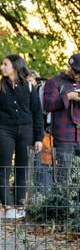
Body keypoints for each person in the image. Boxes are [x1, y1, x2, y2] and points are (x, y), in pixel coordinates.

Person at [0, 54, 44, 219]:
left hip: (26, 131)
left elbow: (37, 113)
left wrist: (38, 137)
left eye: (5, 64)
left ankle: (19, 206)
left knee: (22, 169)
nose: (2, 67)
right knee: (4, 169)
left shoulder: (29, 87)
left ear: (15, 66)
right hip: (4, 131)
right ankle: (7, 206)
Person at [42, 54, 80, 188]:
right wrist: (68, 97)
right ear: (70, 68)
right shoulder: (54, 82)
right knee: (64, 175)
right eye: (77, 71)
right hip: (64, 136)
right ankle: (63, 207)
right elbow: (48, 105)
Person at [27, 70, 53, 195]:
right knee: (35, 166)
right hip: (34, 134)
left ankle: (44, 193)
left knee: (43, 164)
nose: (29, 84)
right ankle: (39, 193)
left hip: (44, 134)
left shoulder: (41, 92)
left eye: (31, 81)